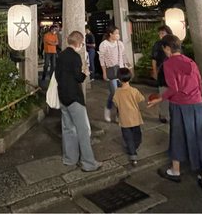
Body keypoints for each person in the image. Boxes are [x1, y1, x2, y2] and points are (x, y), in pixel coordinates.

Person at [148, 34, 202, 196]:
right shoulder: (190, 62)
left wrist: (159, 99)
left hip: (180, 104)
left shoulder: (169, 64)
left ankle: (175, 171)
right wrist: (196, 97)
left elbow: (173, 88)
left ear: (168, 48)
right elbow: (199, 82)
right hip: (196, 104)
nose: (165, 52)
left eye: (165, 49)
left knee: (178, 135)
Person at [55, 30, 102, 172]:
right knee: (83, 130)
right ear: (79, 43)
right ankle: (88, 162)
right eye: (82, 43)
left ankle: (70, 159)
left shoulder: (61, 55)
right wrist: (85, 73)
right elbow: (78, 77)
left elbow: (57, 75)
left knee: (68, 128)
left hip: (63, 96)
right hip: (74, 97)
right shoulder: (75, 57)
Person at [112, 67, 146, 166]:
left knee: (128, 137)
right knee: (137, 135)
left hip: (124, 119)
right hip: (135, 118)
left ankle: (132, 154)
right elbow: (141, 99)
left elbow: (115, 103)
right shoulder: (134, 91)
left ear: (119, 79)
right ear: (130, 78)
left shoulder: (117, 92)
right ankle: (134, 148)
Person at [99, 25, 129, 122]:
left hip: (121, 70)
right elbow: (102, 60)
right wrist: (104, 72)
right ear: (110, 34)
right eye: (116, 33)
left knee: (122, 93)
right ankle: (108, 108)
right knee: (114, 93)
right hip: (111, 71)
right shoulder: (104, 44)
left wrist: (127, 66)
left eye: (118, 33)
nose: (118, 35)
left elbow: (123, 55)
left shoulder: (120, 43)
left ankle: (119, 114)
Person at [151, 24, 174, 124]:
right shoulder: (157, 45)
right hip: (162, 73)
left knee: (173, 93)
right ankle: (163, 115)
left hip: (173, 72)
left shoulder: (173, 43)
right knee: (163, 93)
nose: (161, 35)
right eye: (159, 33)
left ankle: (172, 113)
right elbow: (154, 59)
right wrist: (155, 71)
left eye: (163, 33)